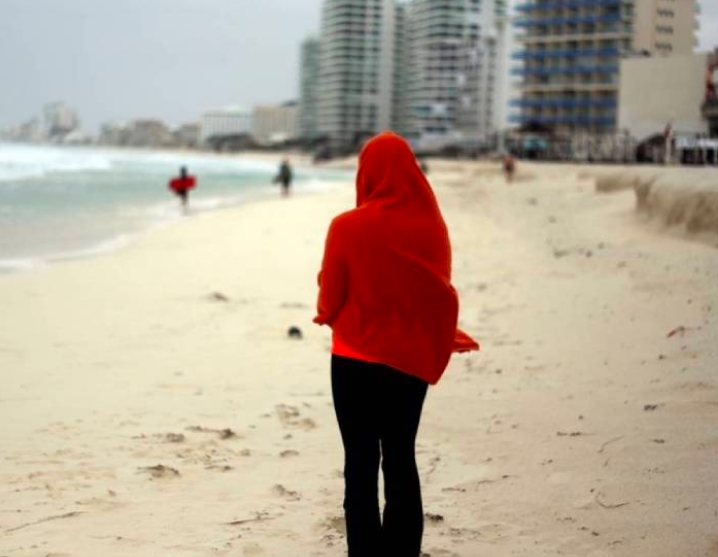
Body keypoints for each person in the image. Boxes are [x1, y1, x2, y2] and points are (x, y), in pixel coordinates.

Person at [313, 132, 479, 557]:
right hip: (411, 361)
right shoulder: (432, 225)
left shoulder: (346, 227)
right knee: (401, 457)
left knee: (361, 463)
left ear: (366, 172)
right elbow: (434, 292)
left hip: (355, 362)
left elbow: (329, 301)